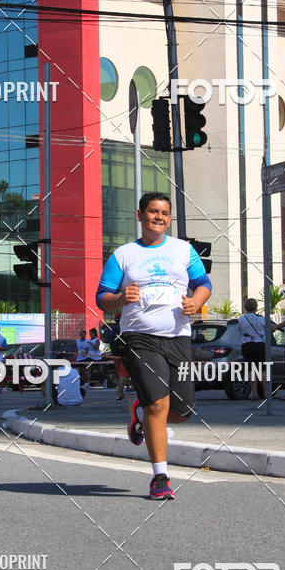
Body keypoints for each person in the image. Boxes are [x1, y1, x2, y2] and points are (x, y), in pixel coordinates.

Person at [96, 192, 212, 500]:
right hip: (139, 337)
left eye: (163, 213)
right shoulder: (123, 255)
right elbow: (102, 297)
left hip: (178, 336)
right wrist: (121, 299)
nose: (158, 217)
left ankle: (139, 413)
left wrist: (195, 302)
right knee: (158, 405)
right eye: (152, 212)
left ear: (169, 218)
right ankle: (160, 477)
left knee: (183, 409)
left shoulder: (183, 250)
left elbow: (204, 284)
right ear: (140, 215)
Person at [237, 298, 266, 400]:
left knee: (250, 369)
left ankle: (255, 393)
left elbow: (240, 331)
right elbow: (267, 329)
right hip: (260, 345)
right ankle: (266, 393)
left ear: (245, 307)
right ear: (256, 307)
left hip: (247, 345)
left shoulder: (241, 319)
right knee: (262, 369)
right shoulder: (261, 318)